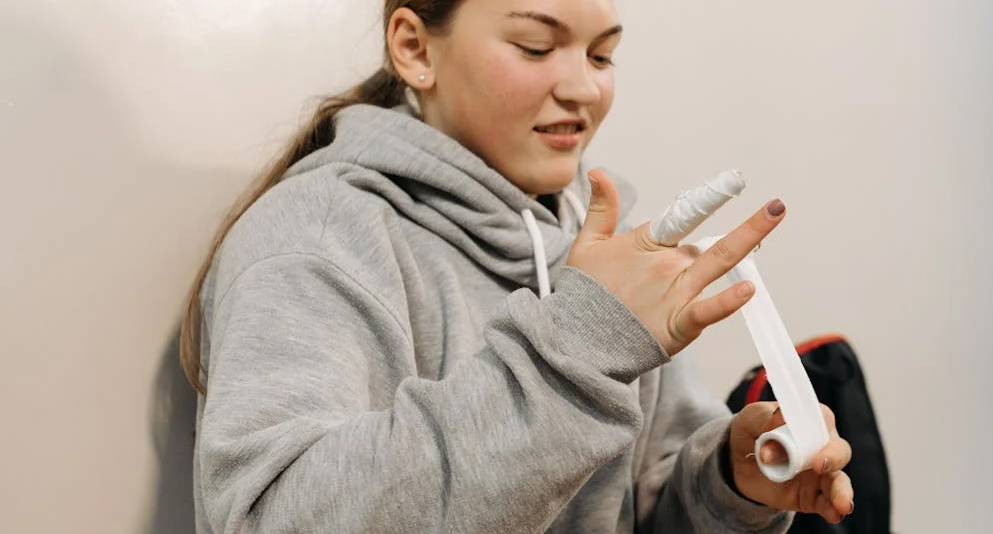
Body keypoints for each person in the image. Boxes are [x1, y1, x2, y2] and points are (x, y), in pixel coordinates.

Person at [180, 1, 855, 532]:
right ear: (414, 48)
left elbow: (643, 507)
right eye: (536, 46)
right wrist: (576, 353)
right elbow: (275, 520)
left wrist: (730, 486)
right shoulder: (315, 237)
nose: (583, 88)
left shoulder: (599, 246)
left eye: (603, 54)